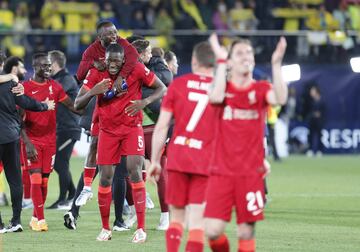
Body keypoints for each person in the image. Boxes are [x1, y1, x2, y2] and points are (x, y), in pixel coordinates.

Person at [203, 34, 287, 252]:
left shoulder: (260, 89)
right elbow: (214, 97)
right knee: (212, 231)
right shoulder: (224, 90)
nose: (245, 56)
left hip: (250, 174)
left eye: (249, 52)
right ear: (230, 61)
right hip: (221, 172)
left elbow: (280, 98)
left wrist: (277, 65)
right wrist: (221, 62)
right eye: (239, 53)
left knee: (246, 231)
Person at [75, 43, 166, 242]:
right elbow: (77, 104)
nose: (113, 64)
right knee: (106, 178)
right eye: (110, 60)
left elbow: (162, 87)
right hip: (107, 132)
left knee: (134, 172)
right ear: (105, 60)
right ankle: (106, 228)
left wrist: (144, 103)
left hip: (132, 129)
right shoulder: (96, 73)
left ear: (123, 60)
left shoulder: (136, 69)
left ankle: (141, 228)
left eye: (117, 60)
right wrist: (93, 91)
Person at [148, 41, 219, 251]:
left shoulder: (178, 85)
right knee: (196, 221)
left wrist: (154, 160)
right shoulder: (219, 91)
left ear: (194, 61)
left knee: (176, 218)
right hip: (204, 158)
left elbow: (161, 127)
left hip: (178, 155)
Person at [21, 53, 81, 232]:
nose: (47, 69)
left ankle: (34, 217)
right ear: (34, 66)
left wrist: (93, 109)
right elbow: (18, 120)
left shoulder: (55, 87)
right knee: (36, 179)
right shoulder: (24, 88)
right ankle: (40, 219)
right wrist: (27, 143)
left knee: (45, 182)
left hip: (50, 141)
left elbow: (73, 106)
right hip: (32, 140)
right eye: (43, 66)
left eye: (49, 66)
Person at [0, 56, 55, 233]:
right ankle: (16, 221)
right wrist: (44, 106)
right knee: (15, 180)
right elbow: (25, 102)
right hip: (10, 137)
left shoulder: (12, 82)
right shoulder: (11, 84)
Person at [132, 40, 173, 230]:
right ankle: (134, 210)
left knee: (160, 173)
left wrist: (141, 92)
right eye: (147, 53)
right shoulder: (125, 69)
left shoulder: (155, 65)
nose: (150, 55)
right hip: (133, 128)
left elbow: (165, 78)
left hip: (154, 128)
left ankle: (166, 216)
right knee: (129, 173)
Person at [47, 50, 81, 209]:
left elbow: (52, 92)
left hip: (69, 128)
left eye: (48, 63)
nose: (46, 66)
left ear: (54, 64)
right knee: (59, 163)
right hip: (62, 128)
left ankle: (63, 199)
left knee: (60, 162)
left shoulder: (66, 79)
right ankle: (72, 193)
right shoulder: (58, 79)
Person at [306, 85, 325, 157]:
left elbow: (324, 112)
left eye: (312, 91)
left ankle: (320, 151)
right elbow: (308, 111)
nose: (311, 92)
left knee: (320, 136)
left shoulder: (322, 100)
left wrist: (320, 115)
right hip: (312, 121)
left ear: (316, 91)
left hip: (319, 122)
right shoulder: (310, 101)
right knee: (310, 136)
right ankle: (310, 150)